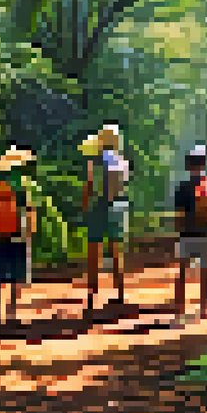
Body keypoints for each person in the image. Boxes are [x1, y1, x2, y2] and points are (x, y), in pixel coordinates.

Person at [0, 144, 36, 324]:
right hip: (18, 233)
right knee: (15, 274)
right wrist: (30, 232)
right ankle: (11, 313)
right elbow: (28, 210)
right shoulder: (22, 186)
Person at [80, 123, 129, 315]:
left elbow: (89, 186)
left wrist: (85, 208)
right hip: (118, 207)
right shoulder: (122, 162)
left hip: (98, 207)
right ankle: (120, 293)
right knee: (116, 252)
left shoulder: (95, 161)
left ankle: (92, 296)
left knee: (94, 253)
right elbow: (123, 187)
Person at [174, 144, 207, 325]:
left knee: (182, 272)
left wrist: (178, 234)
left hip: (188, 234)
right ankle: (205, 309)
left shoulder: (182, 187)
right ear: (204, 164)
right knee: (205, 273)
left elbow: (179, 215)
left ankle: (180, 311)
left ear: (188, 166)